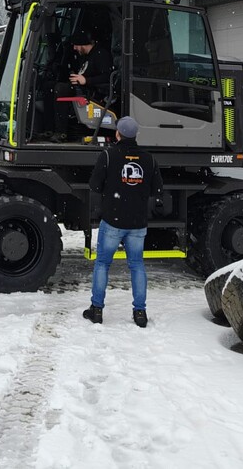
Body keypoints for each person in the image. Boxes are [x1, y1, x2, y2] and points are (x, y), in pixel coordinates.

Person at [83, 116, 161, 328]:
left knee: (103, 264)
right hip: (137, 222)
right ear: (136, 135)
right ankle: (140, 313)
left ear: (118, 134)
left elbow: (94, 185)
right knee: (137, 265)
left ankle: (96, 310)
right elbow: (156, 189)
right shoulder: (149, 159)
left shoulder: (108, 155)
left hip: (113, 220)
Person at [46, 28, 113, 141]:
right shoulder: (85, 55)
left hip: (92, 90)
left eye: (76, 45)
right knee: (49, 86)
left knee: (60, 89)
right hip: (80, 86)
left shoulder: (101, 55)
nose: (74, 48)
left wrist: (86, 80)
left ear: (83, 44)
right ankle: (48, 129)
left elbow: (107, 76)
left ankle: (61, 132)